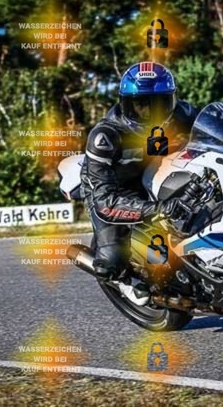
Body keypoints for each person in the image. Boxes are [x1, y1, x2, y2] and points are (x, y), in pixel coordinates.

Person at [81, 61, 197, 286]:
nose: (150, 113)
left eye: (160, 104)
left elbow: (217, 126)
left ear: (172, 101)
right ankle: (133, 286)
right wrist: (157, 209)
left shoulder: (182, 113)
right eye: (140, 105)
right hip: (112, 190)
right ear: (125, 104)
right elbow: (104, 202)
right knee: (112, 262)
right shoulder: (105, 136)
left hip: (154, 174)